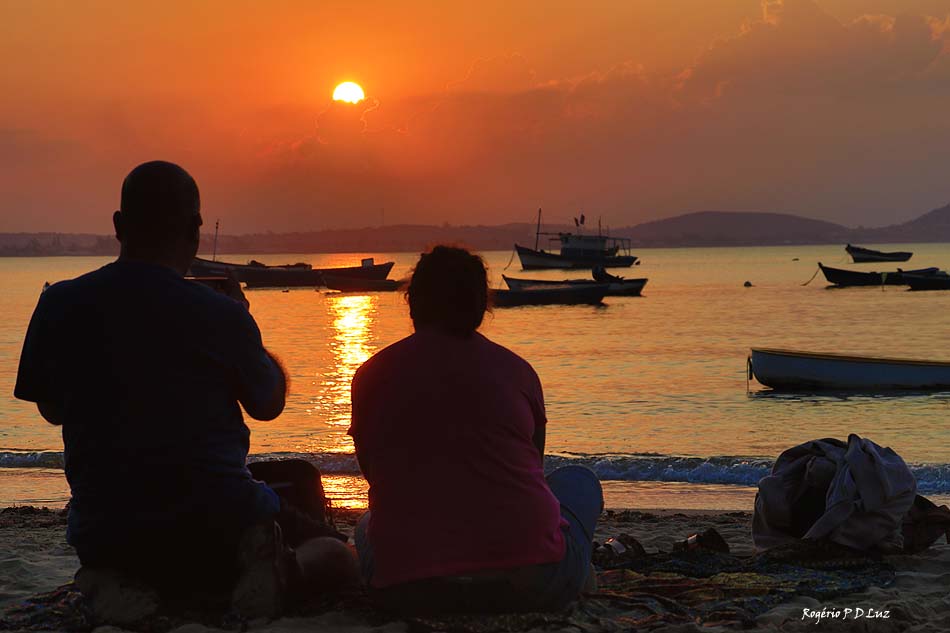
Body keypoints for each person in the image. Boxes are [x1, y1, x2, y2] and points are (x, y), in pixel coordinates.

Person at [14, 161, 357, 617]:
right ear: (195, 229)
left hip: (106, 530)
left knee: (286, 481)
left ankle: (115, 581)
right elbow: (268, 404)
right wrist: (245, 322)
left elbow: (52, 410)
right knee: (339, 555)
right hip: (217, 522)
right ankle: (279, 574)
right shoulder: (221, 314)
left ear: (119, 226)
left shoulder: (58, 302)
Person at [349, 245, 604, 614]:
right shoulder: (518, 371)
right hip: (530, 584)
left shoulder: (370, 375)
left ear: (412, 302)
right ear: (482, 304)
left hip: (409, 590)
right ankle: (571, 571)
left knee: (366, 522)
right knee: (579, 480)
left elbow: (373, 471)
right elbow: (535, 466)